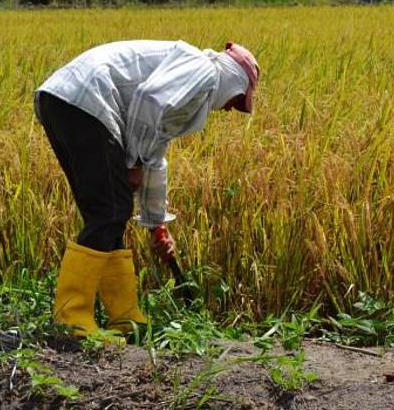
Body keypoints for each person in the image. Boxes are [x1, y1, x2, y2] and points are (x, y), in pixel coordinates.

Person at [34, 40, 260, 338]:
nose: (232, 109)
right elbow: (149, 100)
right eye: (237, 100)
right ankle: (72, 319)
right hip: (85, 100)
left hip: (67, 101)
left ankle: (126, 318)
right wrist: (134, 161)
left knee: (110, 211)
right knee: (110, 211)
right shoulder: (203, 72)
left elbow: (156, 152)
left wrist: (156, 224)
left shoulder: (190, 87)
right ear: (234, 82)